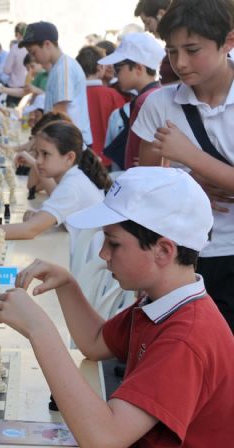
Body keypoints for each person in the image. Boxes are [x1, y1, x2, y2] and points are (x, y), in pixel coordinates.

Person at [0, 167, 234, 446]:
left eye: (114, 243)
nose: (103, 253)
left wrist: (39, 328)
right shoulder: (161, 302)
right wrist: (67, 285)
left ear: (164, 251)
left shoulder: (186, 338)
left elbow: (104, 440)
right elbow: (95, 343)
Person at [134, 0, 234, 333]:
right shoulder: (159, 104)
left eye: (192, 50)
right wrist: (189, 183)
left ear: (228, 42)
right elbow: (144, 186)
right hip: (185, 258)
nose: (180, 63)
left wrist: (189, 155)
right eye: (172, 51)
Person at [0, 121, 109, 247]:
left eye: (45, 154)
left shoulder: (72, 186)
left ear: (69, 157)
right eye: (36, 153)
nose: (38, 160)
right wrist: (43, 217)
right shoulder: (75, 177)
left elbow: (29, 230)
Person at [98, 32, 164, 170]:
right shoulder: (154, 95)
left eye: (118, 69)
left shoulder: (145, 100)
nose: (116, 75)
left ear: (139, 68)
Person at [22, 21, 93, 147]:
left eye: (34, 52)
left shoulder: (63, 69)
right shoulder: (57, 67)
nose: (34, 58)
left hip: (71, 144)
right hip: (67, 142)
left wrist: (35, 143)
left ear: (47, 44)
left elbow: (59, 114)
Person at [76, 46, 127, 168]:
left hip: (80, 159)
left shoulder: (74, 96)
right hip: (108, 160)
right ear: (100, 68)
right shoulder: (113, 95)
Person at [3, 22, 29, 107]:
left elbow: (7, 70)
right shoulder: (32, 46)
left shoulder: (15, 48)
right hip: (29, 89)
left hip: (14, 88)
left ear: (18, 34)